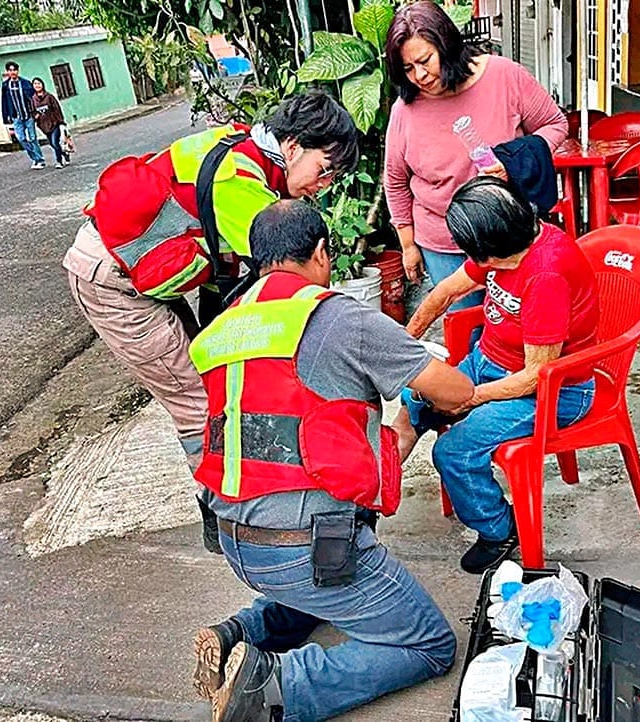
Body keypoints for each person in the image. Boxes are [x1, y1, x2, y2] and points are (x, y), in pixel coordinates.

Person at [188, 200, 474, 722]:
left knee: (322, 587)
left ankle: (241, 635)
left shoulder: (224, 325)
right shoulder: (338, 317)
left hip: (233, 538)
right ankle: (274, 689)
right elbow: (454, 391)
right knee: (428, 644)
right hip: (306, 551)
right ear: (321, 253)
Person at [62, 91, 358, 553]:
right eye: (325, 170)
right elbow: (298, 282)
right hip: (113, 284)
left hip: (145, 273)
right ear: (295, 145)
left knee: (217, 381)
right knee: (199, 401)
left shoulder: (245, 149)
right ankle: (222, 513)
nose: (325, 184)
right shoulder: (243, 186)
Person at [392, 177, 599, 574]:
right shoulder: (506, 242)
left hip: (555, 390)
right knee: (413, 403)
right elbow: (447, 293)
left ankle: (500, 528)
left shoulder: (545, 276)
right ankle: (365, 504)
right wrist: (401, 344)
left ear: (490, 253)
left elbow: (535, 376)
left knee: (453, 451)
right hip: (488, 360)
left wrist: (468, 399)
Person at [383, 0, 568, 308]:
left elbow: (555, 124)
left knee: (518, 330)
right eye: (408, 68)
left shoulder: (504, 76)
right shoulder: (405, 111)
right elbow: (395, 180)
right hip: (444, 244)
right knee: (466, 333)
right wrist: (407, 245)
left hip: (510, 237)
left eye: (426, 60)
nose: (420, 75)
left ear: (447, 45)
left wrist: (512, 162)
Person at [0, 61, 46, 169]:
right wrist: (6, 119)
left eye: (14, 70)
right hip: (16, 117)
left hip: (28, 116)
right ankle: (35, 157)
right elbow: (4, 102)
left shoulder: (25, 83)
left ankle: (40, 160)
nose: (13, 72)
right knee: (21, 138)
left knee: (33, 138)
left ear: (17, 71)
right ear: (7, 72)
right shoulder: (6, 85)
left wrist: (36, 112)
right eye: (10, 70)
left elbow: (34, 99)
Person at [31, 77, 67, 168]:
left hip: (54, 123)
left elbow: (57, 109)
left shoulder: (49, 97)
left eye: (39, 83)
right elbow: (32, 111)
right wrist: (36, 117)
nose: (37, 85)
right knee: (52, 144)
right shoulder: (33, 99)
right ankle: (64, 154)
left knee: (55, 142)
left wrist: (61, 122)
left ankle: (59, 162)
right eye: (35, 84)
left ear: (42, 85)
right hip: (43, 125)